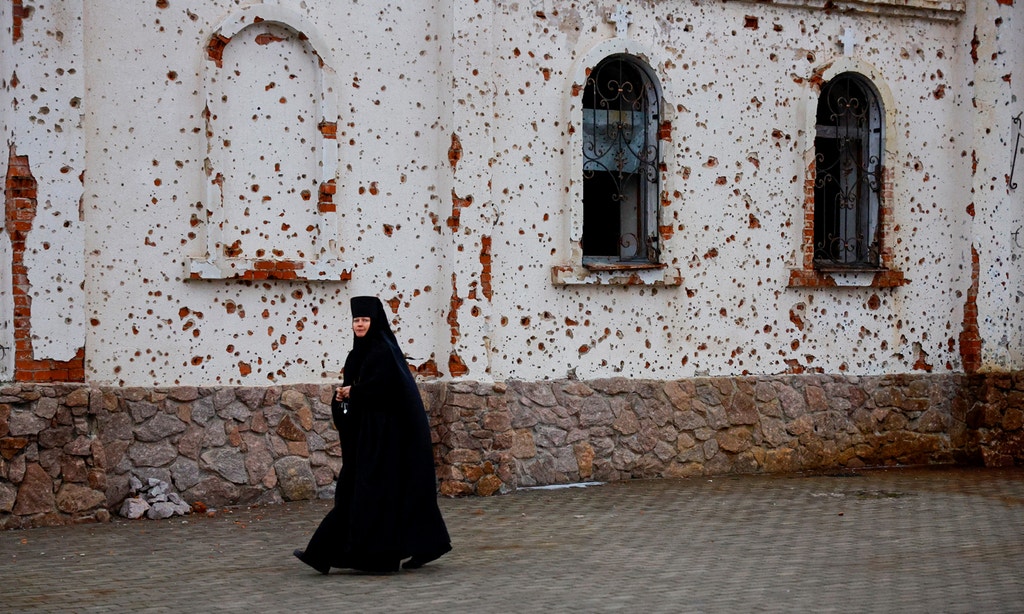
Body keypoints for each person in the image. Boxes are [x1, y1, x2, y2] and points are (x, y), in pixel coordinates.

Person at [293, 296, 452, 574]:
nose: (360, 325)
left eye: (365, 320)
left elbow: (388, 393)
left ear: (374, 321)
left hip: (388, 440)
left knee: (367, 493)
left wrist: (356, 392)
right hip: (367, 437)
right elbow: (359, 390)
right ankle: (327, 554)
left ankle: (331, 554)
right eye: (356, 320)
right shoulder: (357, 354)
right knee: (361, 492)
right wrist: (343, 396)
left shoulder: (383, 351)